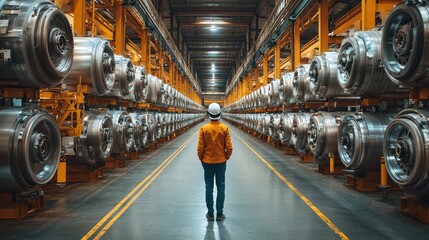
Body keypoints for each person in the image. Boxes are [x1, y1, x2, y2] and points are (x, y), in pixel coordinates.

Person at [197, 103, 233, 221]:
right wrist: (225, 157)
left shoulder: (203, 129)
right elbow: (229, 147)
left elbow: (200, 148)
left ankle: (210, 214)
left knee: (209, 187)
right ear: (220, 113)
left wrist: (201, 158)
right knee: (221, 186)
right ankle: (220, 214)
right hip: (221, 161)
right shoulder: (224, 128)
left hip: (207, 161)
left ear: (208, 114)